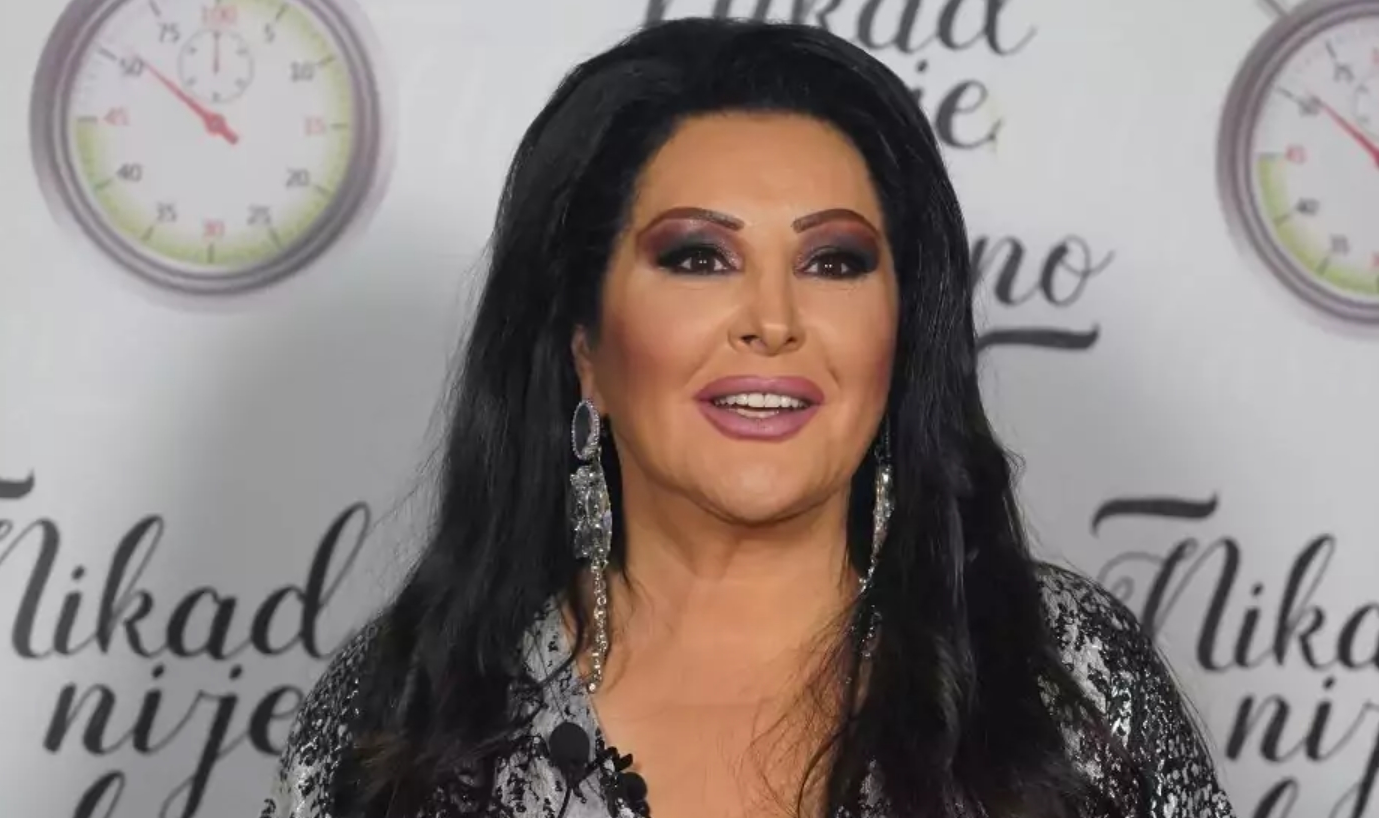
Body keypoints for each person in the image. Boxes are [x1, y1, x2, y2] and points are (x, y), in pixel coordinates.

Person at [259, 16, 1234, 818]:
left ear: (900, 332)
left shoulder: (1057, 675)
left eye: (833, 261)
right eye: (697, 258)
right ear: (583, 344)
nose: (772, 319)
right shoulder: (411, 710)